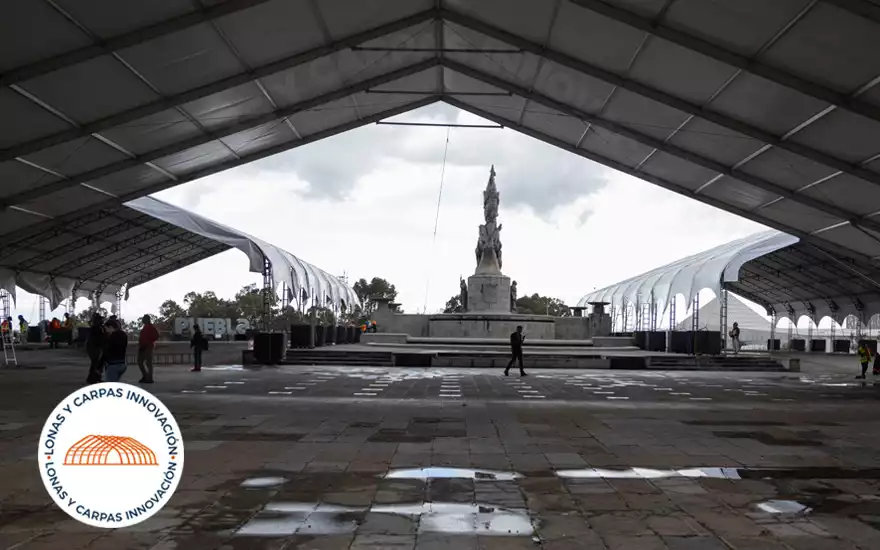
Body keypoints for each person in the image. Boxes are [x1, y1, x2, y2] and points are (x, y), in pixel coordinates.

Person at [137, 314, 159, 384]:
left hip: (148, 346)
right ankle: (145, 376)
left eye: (143, 319)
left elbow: (156, 336)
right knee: (140, 361)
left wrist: (149, 341)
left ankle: (149, 378)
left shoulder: (151, 327)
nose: (142, 320)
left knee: (148, 363)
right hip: (142, 346)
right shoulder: (145, 327)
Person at [85, 313, 105, 384]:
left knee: (97, 364)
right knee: (95, 363)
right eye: (100, 320)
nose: (101, 321)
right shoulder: (95, 328)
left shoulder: (98, 327)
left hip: (95, 347)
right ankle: (91, 378)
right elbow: (98, 339)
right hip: (93, 348)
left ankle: (96, 378)